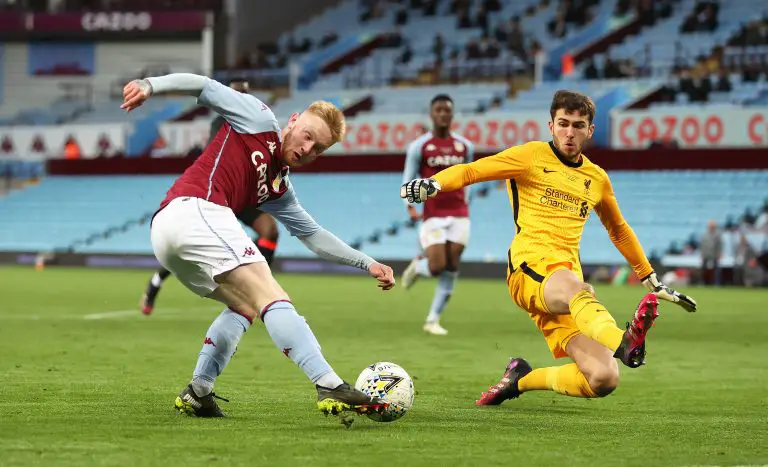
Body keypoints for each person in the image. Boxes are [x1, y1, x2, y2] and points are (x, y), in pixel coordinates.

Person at [121, 73, 396, 421]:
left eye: (319, 149)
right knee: (271, 294)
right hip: (194, 209)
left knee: (244, 306)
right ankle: (327, 382)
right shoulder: (259, 118)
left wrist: (367, 263)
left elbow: (312, 234)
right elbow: (203, 85)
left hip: (169, 233)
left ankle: (199, 391)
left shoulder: (278, 185)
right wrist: (150, 86)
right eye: (308, 136)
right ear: (293, 121)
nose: (307, 149)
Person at [401, 90, 697, 405]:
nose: (570, 132)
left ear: (590, 131)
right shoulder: (530, 156)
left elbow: (619, 230)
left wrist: (651, 278)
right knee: (579, 290)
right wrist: (434, 183)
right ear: (551, 126)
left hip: (565, 289)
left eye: (578, 125)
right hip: (528, 269)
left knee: (603, 378)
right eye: (563, 123)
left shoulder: (596, 179)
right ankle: (625, 343)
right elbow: (474, 170)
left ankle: (519, 379)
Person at [139, 79, 280, 316]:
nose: (241, 97)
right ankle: (155, 282)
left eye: (244, 93)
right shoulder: (221, 123)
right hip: (217, 196)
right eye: (236, 93)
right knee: (184, 248)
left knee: (270, 231)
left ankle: (260, 282)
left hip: (241, 196)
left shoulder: (257, 123)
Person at [400, 94, 474, 336]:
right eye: (439, 110)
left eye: (447, 110)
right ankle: (418, 267)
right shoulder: (419, 146)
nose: (443, 114)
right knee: (437, 265)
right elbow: (409, 178)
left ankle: (432, 319)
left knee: (452, 265)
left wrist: (468, 201)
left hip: (460, 213)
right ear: (432, 114)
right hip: (433, 213)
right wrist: (409, 205)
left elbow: (470, 177)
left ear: (452, 115)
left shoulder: (465, 146)